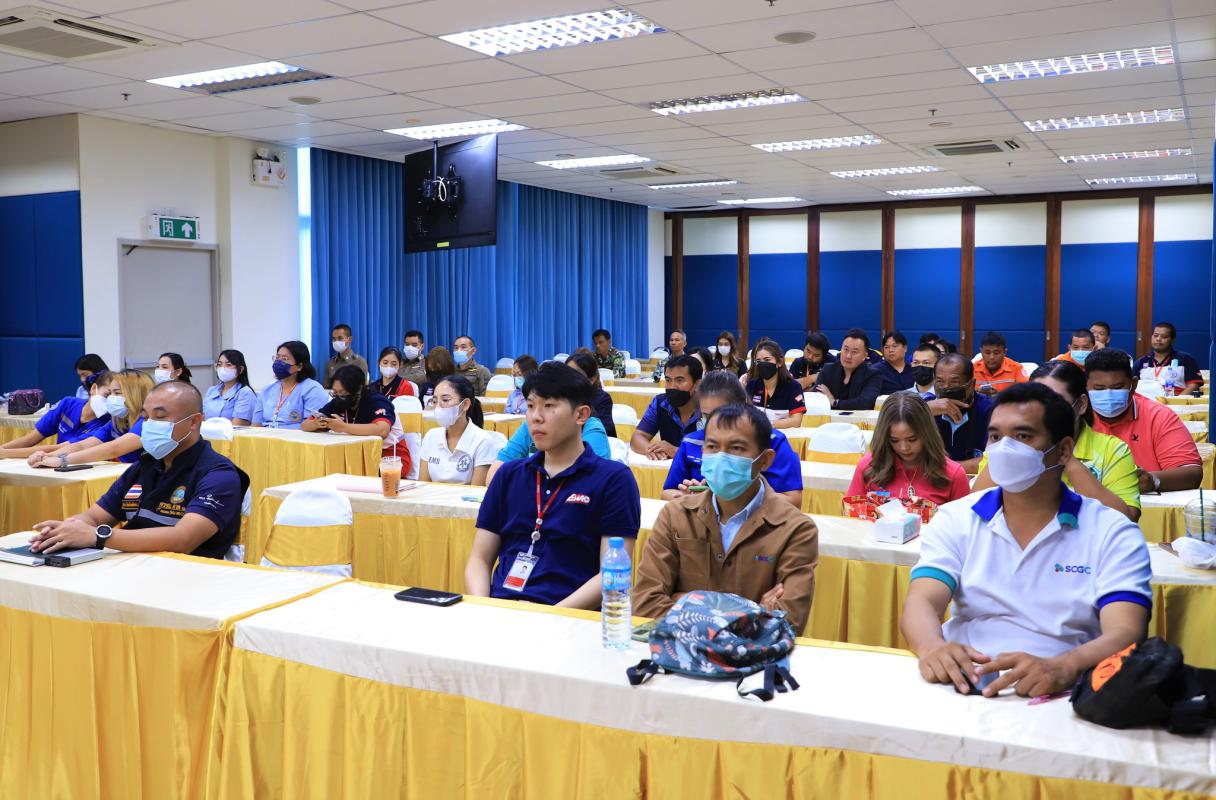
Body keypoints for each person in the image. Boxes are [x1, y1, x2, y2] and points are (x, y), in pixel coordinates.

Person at [901, 382, 1151, 697]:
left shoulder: (1111, 531)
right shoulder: (957, 518)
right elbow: (923, 600)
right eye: (995, 437)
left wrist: (1066, 665)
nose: (1005, 449)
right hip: (967, 679)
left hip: (1064, 689)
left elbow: (1127, 629)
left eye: (1023, 436)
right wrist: (932, 648)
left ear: (1063, 450)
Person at [466, 362, 641, 607]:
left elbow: (611, 574)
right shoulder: (509, 475)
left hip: (568, 618)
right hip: (502, 612)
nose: (536, 417)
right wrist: (483, 608)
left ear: (581, 415)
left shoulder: (614, 480)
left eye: (549, 406)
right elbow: (479, 560)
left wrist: (551, 617)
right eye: (530, 406)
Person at [635, 404, 819, 631]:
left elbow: (787, 623)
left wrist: (683, 600)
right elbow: (645, 604)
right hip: (682, 652)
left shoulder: (796, 529)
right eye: (712, 446)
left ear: (765, 460)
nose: (721, 457)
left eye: (736, 448)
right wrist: (752, 611)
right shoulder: (675, 515)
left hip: (737, 655)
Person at [28, 381, 248, 560]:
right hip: (131, 566)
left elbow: (183, 539)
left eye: (159, 417)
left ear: (194, 422)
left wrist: (100, 536)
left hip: (187, 576)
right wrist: (67, 530)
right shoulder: (144, 466)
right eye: (145, 417)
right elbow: (94, 517)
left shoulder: (219, 475)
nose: (149, 424)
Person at [973, 361, 1140, 521]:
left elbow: (1126, 519)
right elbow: (975, 509)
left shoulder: (1112, 450)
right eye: (1033, 404)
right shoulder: (1005, 447)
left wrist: (1064, 456)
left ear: (1081, 404)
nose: (1042, 415)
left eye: (1056, 404)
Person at [662, 370, 803, 508]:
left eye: (721, 414)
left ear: (742, 406)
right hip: (703, 518)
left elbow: (793, 501)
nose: (713, 422)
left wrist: (732, 499)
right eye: (706, 415)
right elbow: (667, 493)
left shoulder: (772, 441)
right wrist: (689, 497)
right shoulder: (691, 442)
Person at [1086, 347, 1202, 493]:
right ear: (1085, 387)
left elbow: (1192, 473)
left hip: (1143, 504)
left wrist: (1153, 480)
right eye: (1098, 389)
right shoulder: (1075, 417)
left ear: (1133, 385)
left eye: (1117, 387)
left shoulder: (1159, 416)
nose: (1108, 394)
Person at [846, 393, 971, 506]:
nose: (904, 448)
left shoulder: (953, 474)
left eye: (912, 439)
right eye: (894, 440)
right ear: (884, 438)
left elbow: (963, 522)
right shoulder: (869, 467)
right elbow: (850, 514)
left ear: (927, 434)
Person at [27, 369, 152, 467]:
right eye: (110, 393)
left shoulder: (147, 422)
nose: (111, 398)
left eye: (117, 393)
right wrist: (49, 456)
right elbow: (83, 445)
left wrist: (63, 461)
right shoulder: (117, 421)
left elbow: (114, 448)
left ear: (135, 395)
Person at [0, 371, 115, 459]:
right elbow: (30, 439)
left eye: (115, 397)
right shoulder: (68, 404)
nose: (109, 401)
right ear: (94, 388)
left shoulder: (109, 423)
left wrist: (6, 453)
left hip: (79, 466)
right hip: (52, 462)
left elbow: (62, 449)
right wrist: (2, 449)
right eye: (107, 395)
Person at [303, 364, 406, 458]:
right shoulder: (338, 401)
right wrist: (316, 424)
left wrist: (343, 427)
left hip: (389, 456)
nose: (338, 396)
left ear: (359, 389)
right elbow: (304, 425)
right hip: (357, 454)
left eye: (342, 392)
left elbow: (382, 430)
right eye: (335, 392)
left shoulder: (376, 401)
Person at [416, 375, 496, 486]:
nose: (438, 406)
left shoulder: (483, 441)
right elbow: (423, 485)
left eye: (445, 400)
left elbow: (477, 492)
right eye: (434, 401)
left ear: (465, 404)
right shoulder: (431, 436)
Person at [927, 353, 992, 473]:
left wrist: (945, 468)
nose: (946, 388)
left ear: (972, 385)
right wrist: (924, 411)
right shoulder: (925, 406)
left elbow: (994, 461)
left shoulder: (991, 410)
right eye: (940, 382)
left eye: (954, 382)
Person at [632, 354, 703, 458]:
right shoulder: (661, 403)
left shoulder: (711, 408)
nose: (672, 387)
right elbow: (638, 437)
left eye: (679, 380)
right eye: (668, 380)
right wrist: (652, 450)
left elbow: (720, 452)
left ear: (697, 384)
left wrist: (676, 451)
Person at [251, 341, 329, 429]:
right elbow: (256, 425)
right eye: (277, 357)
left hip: (297, 436)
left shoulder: (312, 389)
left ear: (299, 366)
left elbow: (312, 426)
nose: (278, 362)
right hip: (265, 436)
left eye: (284, 359)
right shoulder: (267, 389)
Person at [812, 329, 883, 412]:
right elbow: (817, 398)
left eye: (854, 352)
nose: (848, 356)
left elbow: (865, 403)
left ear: (864, 356)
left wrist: (834, 402)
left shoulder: (873, 375)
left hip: (859, 419)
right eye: (846, 349)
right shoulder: (828, 370)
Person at [745, 341, 807, 428]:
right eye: (758, 361)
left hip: (784, 435)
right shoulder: (751, 385)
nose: (762, 364)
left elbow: (796, 421)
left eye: (767, 360)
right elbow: (744, 416)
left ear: (779, 362)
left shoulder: (793, 387)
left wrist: (767, 425)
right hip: (757, 435)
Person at [1134, 321, 1204, 396]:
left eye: (1164, 337)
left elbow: (1193, 385)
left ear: (1172, 340)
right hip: (1146, 401)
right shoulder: (1141, 362)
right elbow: (1131, 386)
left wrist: (1177, 401)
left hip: (1175, 401)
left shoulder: (1185, 359)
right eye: (1155, 335)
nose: (1158, 339)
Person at [567, 352, 617, 438]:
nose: (570, 378)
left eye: (576, 374)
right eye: (567, 373)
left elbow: (603, 430)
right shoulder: (560, 397)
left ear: (592, 379)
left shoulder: (602, 398)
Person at [202, 349, 257, 424]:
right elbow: (202, 418)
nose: (222, 368)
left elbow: (237, 426)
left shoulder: (245, 393)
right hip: (207, 431)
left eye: (228, 365)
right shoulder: (212, 390)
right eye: (219, 364)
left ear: (241, 369)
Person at [972, 331, 1028, 396]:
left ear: (1004, 352)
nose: (992, 357)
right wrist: (977, 394)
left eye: (996, 353)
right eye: (987, 353)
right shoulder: (972, 369)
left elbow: (1026, 394)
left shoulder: (1016, 368)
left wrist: (998, 396)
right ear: (981, 352)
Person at [323, 324, 369, 389]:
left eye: (340, 338)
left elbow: (363, 388)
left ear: (349, 339)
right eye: (334, 339)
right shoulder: (330, 363)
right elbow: (326, 388)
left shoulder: (360, 362)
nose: (336, 342)